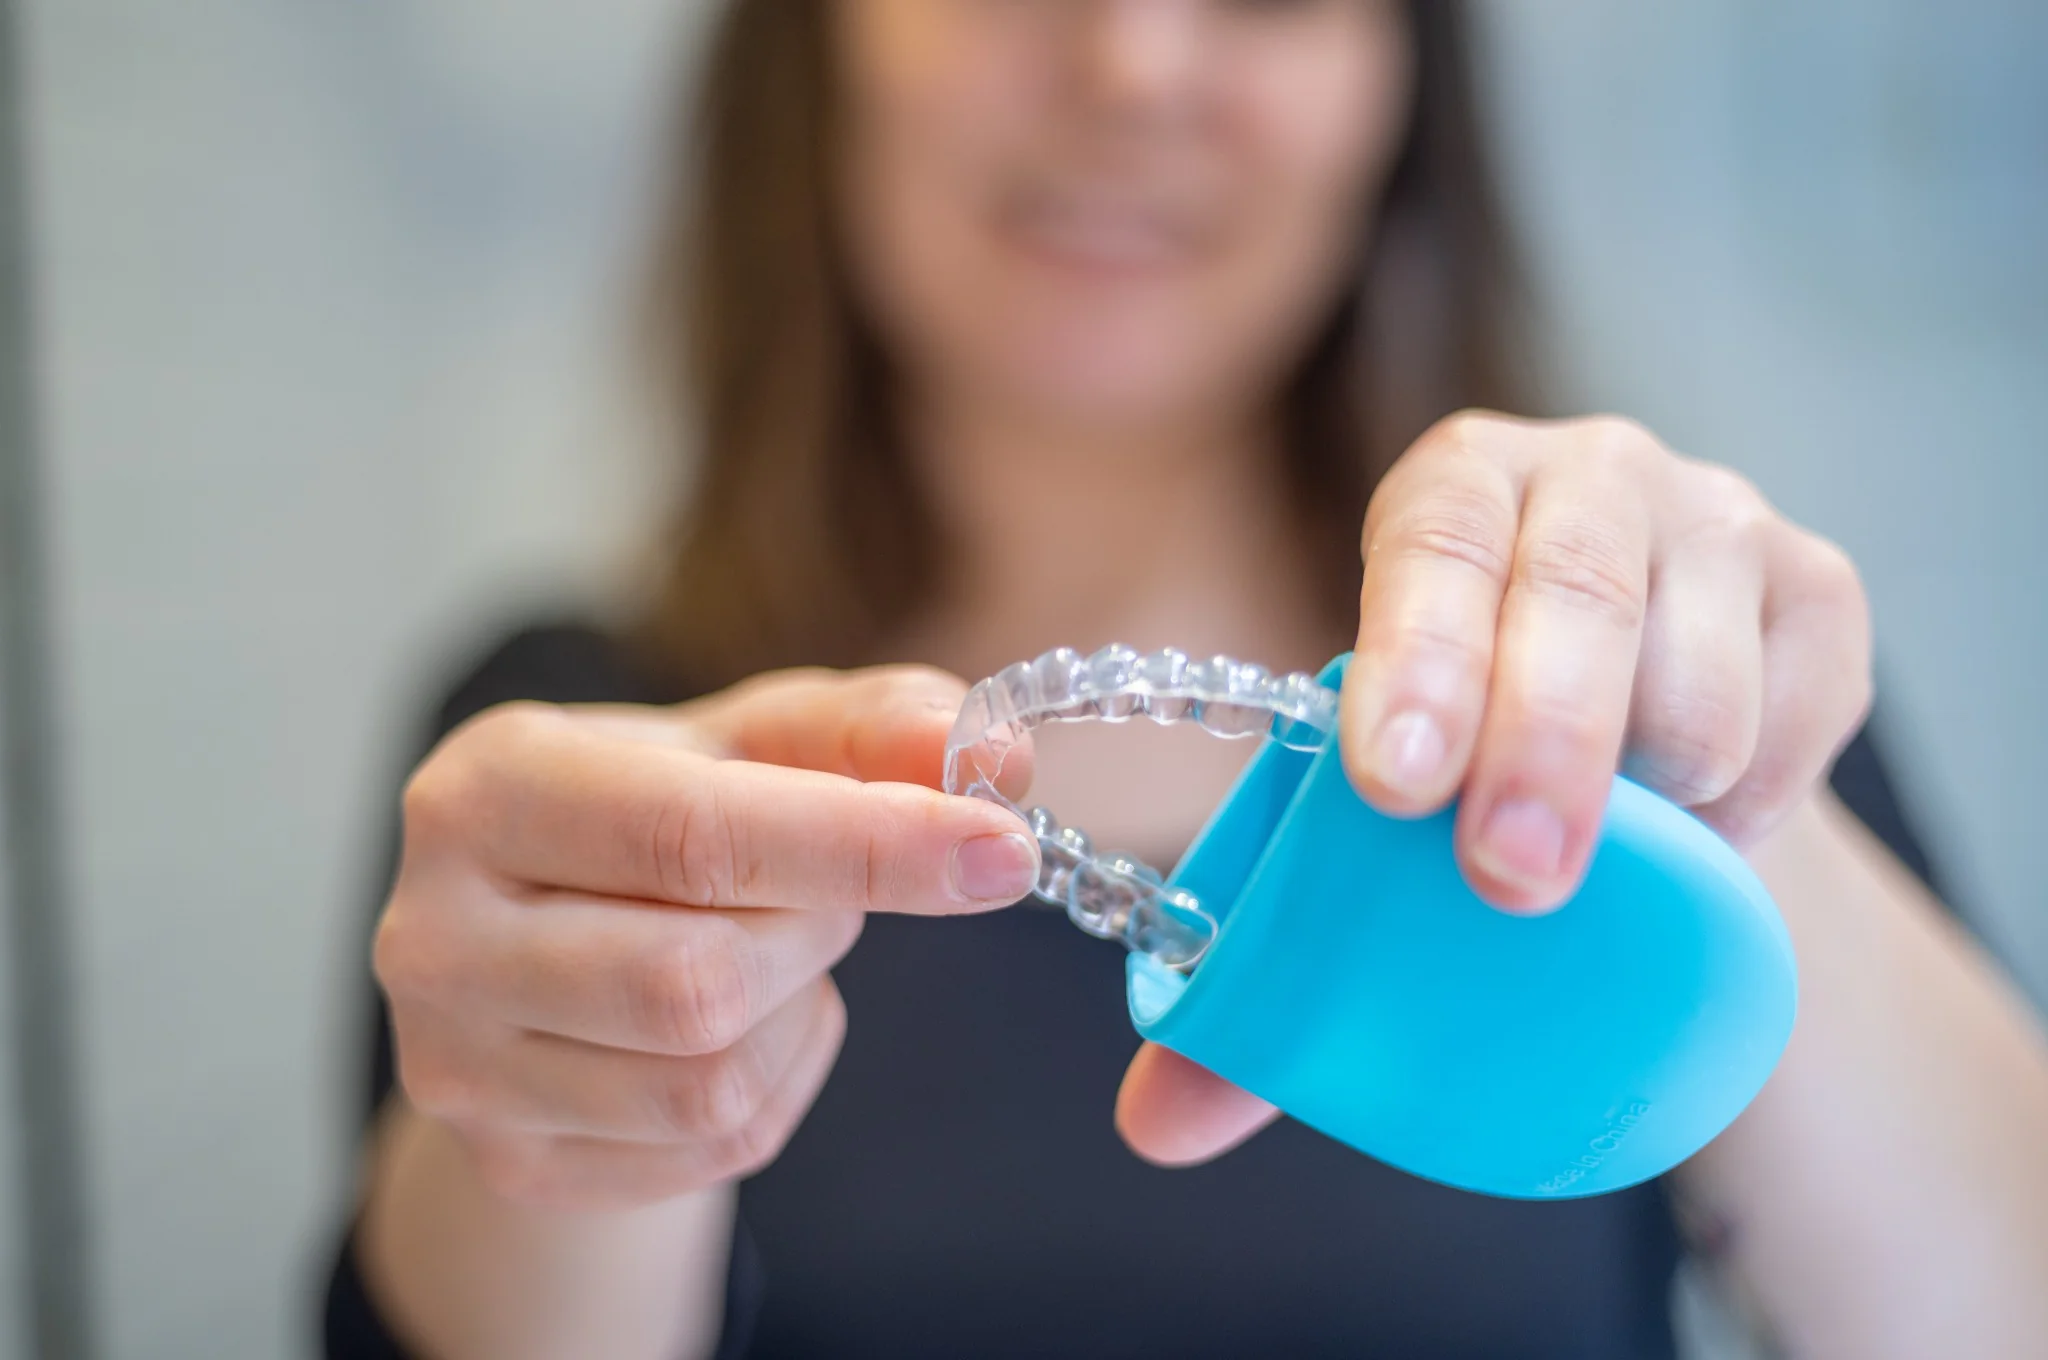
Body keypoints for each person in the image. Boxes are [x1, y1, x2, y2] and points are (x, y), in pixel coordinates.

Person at [322, 3, 2048, 1357]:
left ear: (1397, 95)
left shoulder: (1670, 715)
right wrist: (554, 1127)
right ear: (816, 47)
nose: (1136, 59)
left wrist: (1717, 800)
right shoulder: (573, 752)